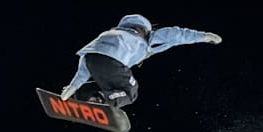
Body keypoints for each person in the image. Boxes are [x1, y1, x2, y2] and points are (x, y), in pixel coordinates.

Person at [61, 14, 221, 108]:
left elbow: (87, 62)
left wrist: (73, 86)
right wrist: (204, 36)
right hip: (114, 62)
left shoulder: (111, 33)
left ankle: (78, 96)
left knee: (109, 86)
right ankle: (100, 99)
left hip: (92, 58)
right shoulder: (145, 36)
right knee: (131, 91)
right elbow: (176, 34)